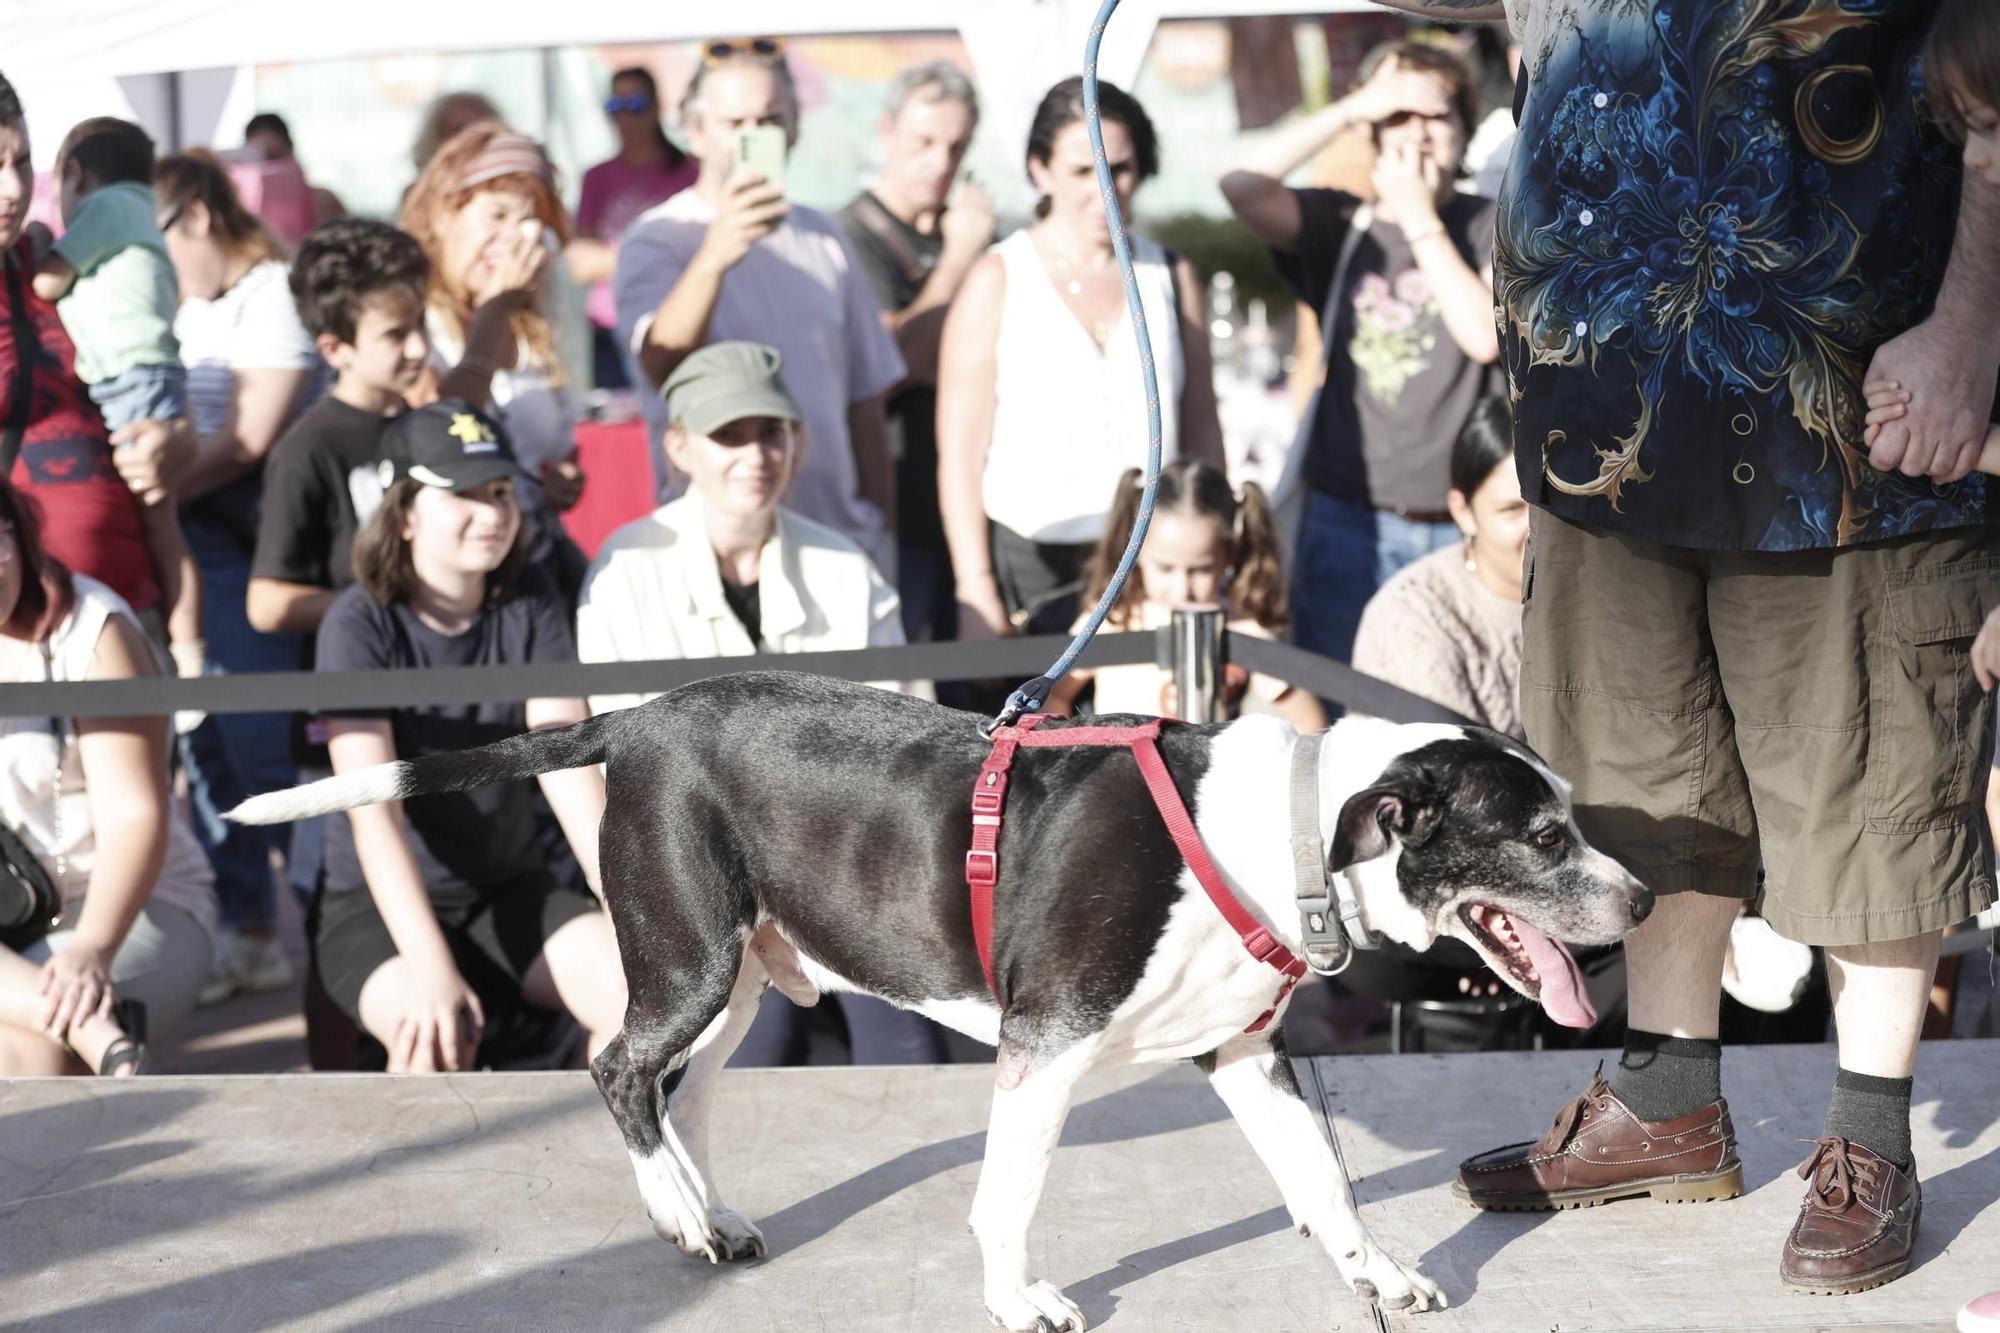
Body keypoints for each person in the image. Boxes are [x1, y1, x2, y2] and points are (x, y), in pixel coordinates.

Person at [1364, 0, 1998, 1298]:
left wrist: (1977, 329)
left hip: (1850, 393)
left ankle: (1870, 1136)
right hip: (1597, 398)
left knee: (1870, 772)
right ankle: (1669, 1099)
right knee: (1633, 764)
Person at [576, 341, 943, 1065]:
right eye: (729, 435)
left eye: (771, 432)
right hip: (697, 877)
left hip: (846, 873)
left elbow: (901, 752)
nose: (756, 454)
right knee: (743, 1056)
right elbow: (634, 775)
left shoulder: (846, 565)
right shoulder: (623, 570)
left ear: (798, 443)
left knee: (912, 1053)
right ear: (678, 446)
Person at [312, 400, 623, 1072]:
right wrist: (431, 968)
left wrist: (626, 902)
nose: (492, 513)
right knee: (429, 1035)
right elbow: (376, 821)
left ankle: (592, 1164)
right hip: (374, 904)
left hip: (506, 889)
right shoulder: (358, 623)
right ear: (404, 513)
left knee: (643, 1001)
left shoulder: (531, 596)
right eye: (463, 494)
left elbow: (564, 766)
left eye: (502, 492)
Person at [1220, 41, 1499, 664]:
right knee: (1344, 723)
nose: (1418, 133)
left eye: (1435, 113)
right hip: (1348, 522)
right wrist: (1358, 105)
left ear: (1464, 128)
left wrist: (1418, 217)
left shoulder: (1493, 223)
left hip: (1459, 528)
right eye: (1398, 116)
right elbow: (1240, 185)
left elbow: (1485, 335)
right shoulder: (1340, 222)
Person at [938, 76, 1224, 641]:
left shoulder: (1170, 273)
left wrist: (1217, 543)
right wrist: (974, 585)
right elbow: (959, 455)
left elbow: (1202, 423)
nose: (1104, 191)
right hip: (1033, 564)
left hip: (1152, 560)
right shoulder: (998, 277)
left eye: (1118, 168)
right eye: (1081, 172)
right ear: (1039, 170)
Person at [613, 39, 905, 567]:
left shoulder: (822, 236)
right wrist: (716, 253)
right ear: (695, 132)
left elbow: (865, 400)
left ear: (794, 128)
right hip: (714, 554)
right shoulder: (657, 240)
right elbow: (656, 362)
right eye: (736, 124)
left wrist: (879, 526)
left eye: (770, 120)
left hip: (837, 543)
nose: (754, 138)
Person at [154, 149, 324, 1006]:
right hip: (187, 546)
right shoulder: (185, 303)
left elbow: (251, 436)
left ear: (194, 216)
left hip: (250, 547)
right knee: (204, 743)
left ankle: (316, 926)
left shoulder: (275, 293)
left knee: (260, 748)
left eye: (153, 238)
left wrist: (154, 488)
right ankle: (250, 930)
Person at [0, 476, 217, 1076]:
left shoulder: (93, 630)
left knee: (27, 1055)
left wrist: (92, 949)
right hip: (11, 917)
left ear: (18, 533)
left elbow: (135, 814)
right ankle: (99, 1036)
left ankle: (87, 1032)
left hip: (124, 906)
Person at [0, 72, 178, 641]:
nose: (11, 188)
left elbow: (147, 369)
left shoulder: (59, 262)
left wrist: (177, 439)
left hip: (124, 607)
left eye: (23, 162)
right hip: (17, 630)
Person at [27, 118, 201, 688]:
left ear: (74, 174)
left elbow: (49, 282)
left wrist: (37, 250)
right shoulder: (139, 213)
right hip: (147, 380)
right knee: (165, 525)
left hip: (133, 385)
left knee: (161, 522)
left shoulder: (107, 208)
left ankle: (189, 646)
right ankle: (189, 646)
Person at [837, 61, 993, 643]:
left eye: (956, 147)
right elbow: (890, 362)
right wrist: (958, 259)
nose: (940, 162)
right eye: (923, 142)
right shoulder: (852, 236)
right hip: (894, 500)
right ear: (887, 132)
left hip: (969, 501)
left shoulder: (965, 230)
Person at [399, 123, 588, 603]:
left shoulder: (533, 326)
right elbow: (445, 426)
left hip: (530, 571)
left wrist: (557, 479)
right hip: (445, 588)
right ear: (444, 214)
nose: (511, 241)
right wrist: (496, 310)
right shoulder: (411, 316)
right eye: (496, 215)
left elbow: (555, 442)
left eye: (528, 225)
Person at [1045, 460, 1323, 733]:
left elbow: (1311, 723)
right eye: (1165, 568)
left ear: (1230, 553)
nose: (1182, 589)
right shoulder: (1114, 618)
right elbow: (1054, 695)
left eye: (1201, 569)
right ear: (1135, 549)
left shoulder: (1242, 630)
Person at [1351, 395, 1524, 737]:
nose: (1539, 529)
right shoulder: (1414, 613)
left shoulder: (1600, 592)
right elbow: (1455, 775)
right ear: (1463, 512)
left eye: (1550, 507)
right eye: (1511, 510)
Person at [567, 67, 697, 392]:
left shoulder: (690, 173)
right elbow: (581, 263)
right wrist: (659, 255)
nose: (625, 118)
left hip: (680, 320)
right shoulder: (596, 178)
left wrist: (612, 259)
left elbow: (702, 253)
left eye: (635, 105)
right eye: (615, 108)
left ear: (656, 108)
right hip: (610, 326)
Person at [242, 111, 347, 227]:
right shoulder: (243, 213)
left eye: (275, 157)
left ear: (291, 150)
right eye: (264, 160)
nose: (271, 170)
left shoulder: (323, 202)